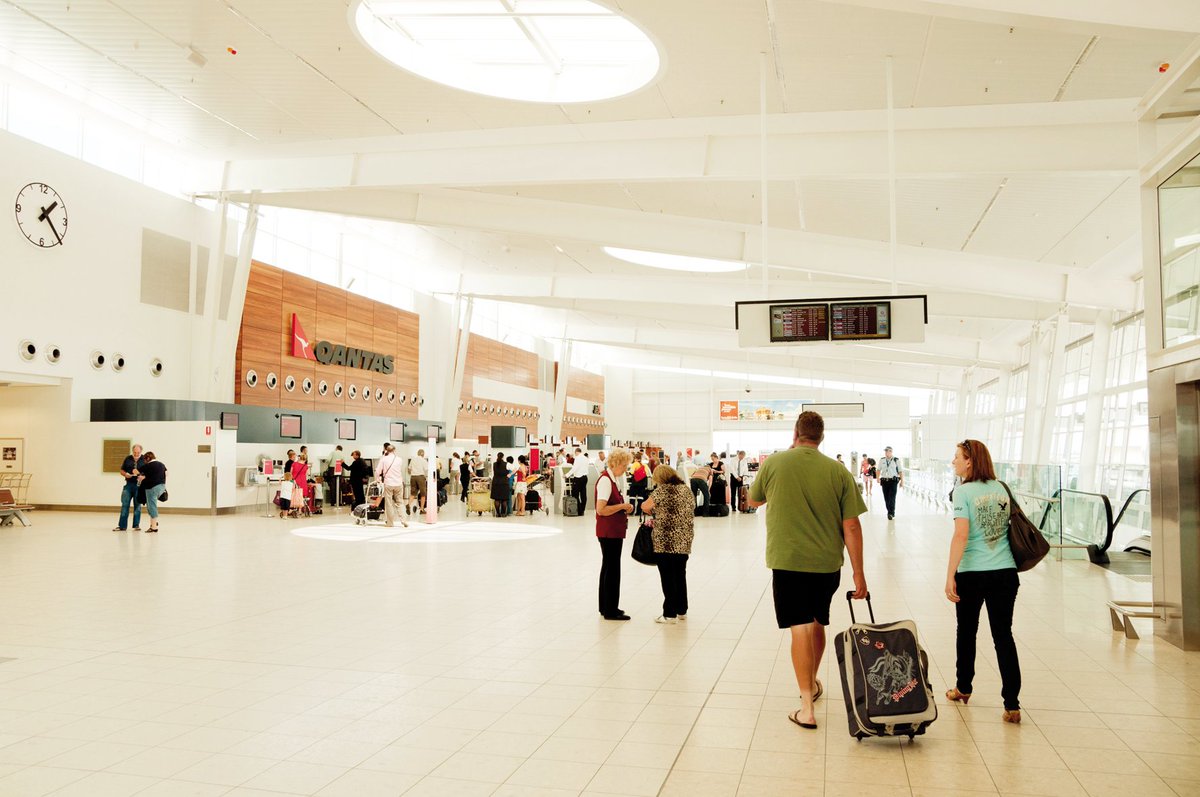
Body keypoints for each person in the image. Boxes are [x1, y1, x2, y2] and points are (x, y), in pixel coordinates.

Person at [747, 411, 867, 731]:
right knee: (817, 623)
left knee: (799, 629)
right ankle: (812, 681)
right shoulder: (838, 471)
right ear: (822, 437)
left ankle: (806, 707)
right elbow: (852, 526)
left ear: (796, 433)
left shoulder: (775, 462)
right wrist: (859, 574)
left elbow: (752, 500)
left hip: (788, 562)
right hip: (827, 564)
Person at [945, 439, 1022, 724]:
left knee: (966, 631)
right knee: (1003, 636)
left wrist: (950, 573)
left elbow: (961, 536)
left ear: (970, 461)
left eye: (957, 457)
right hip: (1005, 572)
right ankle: (1012, 704)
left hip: (972, 574)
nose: (953, 462)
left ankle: (963, 688)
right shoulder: (1001, 488)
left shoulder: (962, 492)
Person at [641, 464, 694, 624]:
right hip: (684, 539)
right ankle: (682, 610)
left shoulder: (661, 491)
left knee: (667, 576)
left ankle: (669, 614)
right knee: (680, 574)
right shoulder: (686, 490)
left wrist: (654, 511)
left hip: (665, 541)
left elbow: (645, 506)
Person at [595, 448, 635, 620]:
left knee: (608, 568)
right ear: (616, 464)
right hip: (609, 532)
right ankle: (610, 610)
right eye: (624, 465)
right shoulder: (605, 481)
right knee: (612, 570)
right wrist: (622, 506)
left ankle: (607, 606)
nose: (626, 469)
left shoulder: (614, 479)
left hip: (612, 531)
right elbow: (601, 509)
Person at [114, 443, 144, 532]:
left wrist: (140, 475)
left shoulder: (144, 460)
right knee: (125, 505)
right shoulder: (128, 458)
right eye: (134, 452)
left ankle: (136, 525)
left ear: (141, 451)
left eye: (138, 452)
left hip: (139, 486)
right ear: (132, 451)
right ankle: (122, 526)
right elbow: (121, 470)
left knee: (137, 506)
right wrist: (125, 474)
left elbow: (148, 473)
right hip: (128, 485)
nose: (136, 454)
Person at [377, 444, 407, 528]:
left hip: (388, 483)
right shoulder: (399, 459)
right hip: (398, 483)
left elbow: (378, 471)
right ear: (394, 450)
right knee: (400, 502)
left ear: (386, 450)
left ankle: (390, 523)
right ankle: (404, 520)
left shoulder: (384, 459)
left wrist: (378, 480)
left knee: (389, 504)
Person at [137, 451, 168, 533]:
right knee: (153, 505)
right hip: (161, 487)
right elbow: (167, 474)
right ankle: (153, 523)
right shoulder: (162, 464)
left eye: (145, 459)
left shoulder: (147, 466)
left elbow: (137, 472)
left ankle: (154, 527)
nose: (144, 461)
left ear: (148, 458)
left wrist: (139, 476)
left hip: (151, 488)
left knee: (151, 506)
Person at [878, 446, 904, 520]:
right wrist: (877, 478)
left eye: (887, 451)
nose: (886, 453)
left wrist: (902, 481)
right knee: (886, 498)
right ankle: (890, 511)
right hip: (884, 481)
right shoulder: (882, 460)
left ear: (891, 452)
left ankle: (891, 513)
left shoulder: (896, 460)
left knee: (892, 497)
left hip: (893, 481)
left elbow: (900, 471)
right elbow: (878, 470)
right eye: (885, 451)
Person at [408, 448, 429, 516]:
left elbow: (409, 469)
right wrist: (426, 476)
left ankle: (408, 504)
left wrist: (412, 474)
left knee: (413, 493)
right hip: (420, 477)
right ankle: (421, 509)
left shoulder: (413, 459)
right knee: (423, 494)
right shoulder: (423, 460)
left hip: (413, 477)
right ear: (423, 454)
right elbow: (426, 470)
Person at [569, 448, 590, 512]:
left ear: (576, 452)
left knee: (575, 494)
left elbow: (574, 468)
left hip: (578, 478)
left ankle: (579, 509)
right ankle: (582, 510)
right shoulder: (586, 458)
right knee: (583, 494)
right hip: (585, 478)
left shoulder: (577, 458)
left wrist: (567, 475)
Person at [491, 452, 511, 517]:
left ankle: (498, 513)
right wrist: (509, 474)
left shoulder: (494, 464)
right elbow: (515, 469)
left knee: (496, 499)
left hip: (496, 483)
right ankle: (503, 513)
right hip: (504, 483)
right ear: (503, 457)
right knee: (504, 499)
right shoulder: (507, 464)